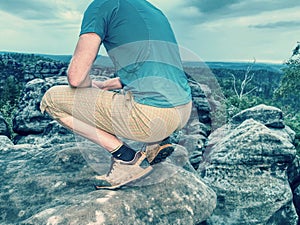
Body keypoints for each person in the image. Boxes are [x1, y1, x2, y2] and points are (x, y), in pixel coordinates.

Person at [40, 0, 192, 189]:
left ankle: (126, 159)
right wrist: (106, 85)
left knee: (52, 99)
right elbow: (150, 69)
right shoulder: (153, 10)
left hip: (150, 116)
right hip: (182, 109)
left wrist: (91, 85)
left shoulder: (101, 6)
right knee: (134, 95)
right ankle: (155, 144)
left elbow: (76, 78)